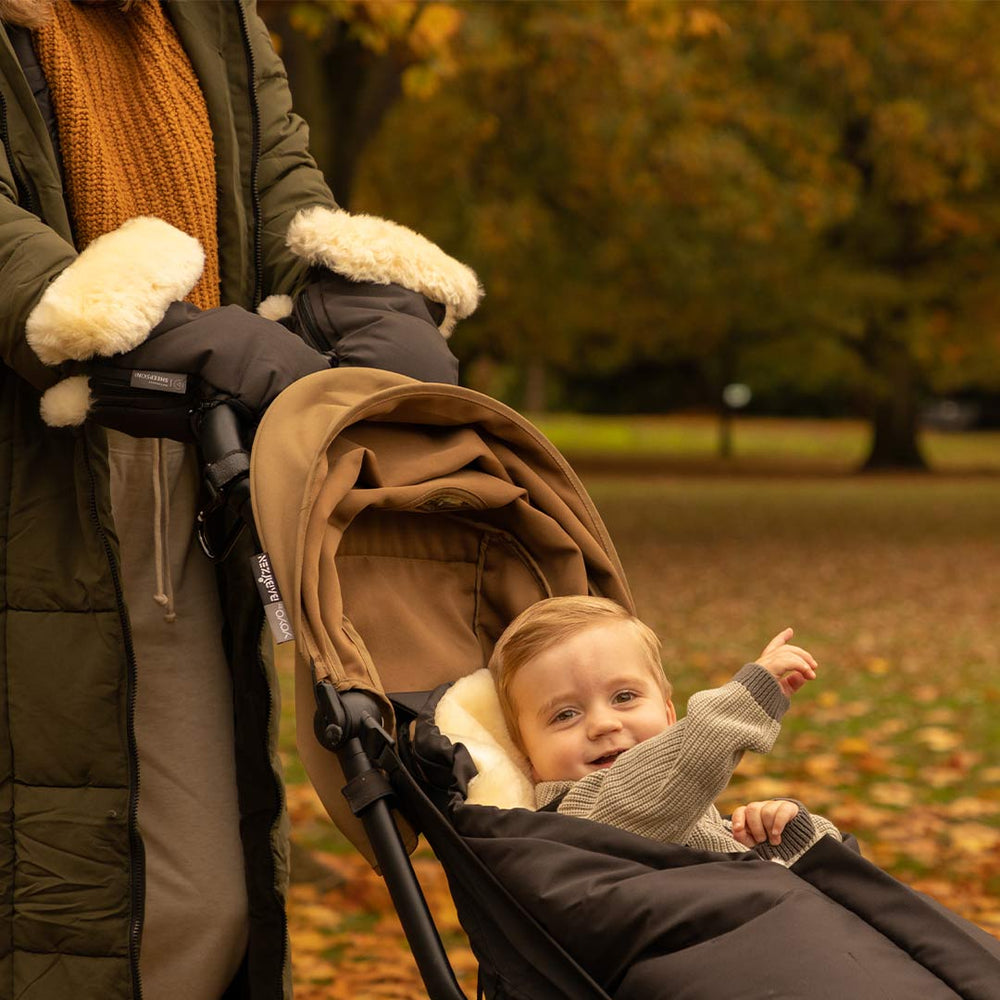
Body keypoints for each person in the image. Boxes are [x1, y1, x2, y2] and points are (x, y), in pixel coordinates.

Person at [0, 1, 480, 998]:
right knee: (77, 900)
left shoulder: (208, 15)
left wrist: (365, 297)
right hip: (40, 480)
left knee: (199, 904)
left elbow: (278, 176)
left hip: (184, 460)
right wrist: (139, 321)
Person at [488, 596, 842, 865]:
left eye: (624, 696)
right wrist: (742, 703)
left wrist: (784, 833)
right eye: (564, 715)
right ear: (526, 755)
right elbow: (653, 791)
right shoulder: (569, 824)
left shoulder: (693, 811)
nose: (602, 724)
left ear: (669, 715)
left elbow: (829, 878)